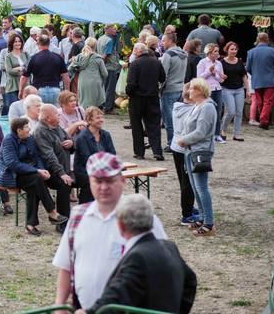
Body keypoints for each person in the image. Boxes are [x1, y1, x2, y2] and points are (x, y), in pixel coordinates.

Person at [53, 152, 167, 311]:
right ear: (90, 181)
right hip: (83, 309)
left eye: (110, 181)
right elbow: (65, 265)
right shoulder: (78, 215)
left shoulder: (143, 218)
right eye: (98, 181)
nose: (103, 187)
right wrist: (59, 304)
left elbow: (164, 267)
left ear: (122, 180)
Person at [79, 194, 197, 314]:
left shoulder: (137, 257)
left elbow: (116, 298)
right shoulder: (169, 247)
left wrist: (89, 312)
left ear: (120, 225)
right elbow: (191, 281)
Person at [0, 117, 67, 234]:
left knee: (35, 185)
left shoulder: (29, 138)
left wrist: (41, 169)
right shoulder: (9, 140)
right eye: (26, 127)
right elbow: (12, 163)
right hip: (12, 175)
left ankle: (30, 225)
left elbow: (36, 157)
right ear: (18, 130)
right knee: (36, 179)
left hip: (31, 173)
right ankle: (52, 211)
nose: (29, 130)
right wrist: (36, 171)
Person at [175, 78, 218, 236]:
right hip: (190, 150)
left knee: (201, 187)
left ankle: (209, 222)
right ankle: (202, 217)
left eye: (192, 88)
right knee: (195, 187)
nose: (189, 91)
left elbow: (201, 132)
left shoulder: (207, 107)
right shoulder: (196, 106)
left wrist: (183, 140)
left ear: (200, 90)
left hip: (200, 151)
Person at [33, 104, 74, 230]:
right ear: (48, 118)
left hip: (64, 169)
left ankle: (83, 217)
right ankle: (62, 223)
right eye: (56, 114)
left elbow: (69, 140)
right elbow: (49, 156)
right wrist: (61, 173)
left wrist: (72, 144)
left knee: (87, 179)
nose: (59, 115)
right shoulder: (40, 131)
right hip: (49, 172)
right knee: (65, 184)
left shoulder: (57, 127)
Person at [126, 43, 166, 160]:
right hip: (152, 97)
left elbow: (131, 83)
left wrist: (128, 93)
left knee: (136, 125)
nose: (133, 52)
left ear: (138, 51)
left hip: (137, 98)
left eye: (134, 50)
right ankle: (157, 151)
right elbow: (163, 78)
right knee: (154, 124)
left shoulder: (135, 64)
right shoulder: (156, 62)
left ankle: (139, 152)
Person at [170, 84, 200, 227]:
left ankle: (189, 206)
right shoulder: (192, 111)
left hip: (176, 147)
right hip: (184, 149)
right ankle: (186, 215)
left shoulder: (177, 107)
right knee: (188, 182)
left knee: (185, 181)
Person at [73, 107, 116, 203]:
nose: (101, 120)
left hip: (103, 169)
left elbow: (112, 154)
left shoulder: (106, 135)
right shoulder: (82, 137)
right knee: (94, 182)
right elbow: (87, 159)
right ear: (89, 120)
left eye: (102, 117)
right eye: (98, 118)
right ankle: (85, 209)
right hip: (85, 171)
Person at [246, 31, 274, 130]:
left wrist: (256, 74)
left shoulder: (251, 52)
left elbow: (248, 68)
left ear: (258, 39)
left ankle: (263, 120)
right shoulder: (273, 51)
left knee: (260, 102)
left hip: (257, 80)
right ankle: (264, 121)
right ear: (267, 39)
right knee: (268, 101)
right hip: (270, 80)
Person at [20, 34, 70, 106]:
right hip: (55, 89)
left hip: (39, 90)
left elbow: (24, 77)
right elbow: (66, 76)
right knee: (54, 114)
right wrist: (67, 91)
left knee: (40, 114)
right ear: (49, 43)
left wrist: (21, 91)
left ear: (38, 44)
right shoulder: (58, 57)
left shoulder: (33, 58)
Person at [159, 31, 188, 152]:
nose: (162, 43)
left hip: (169, 89)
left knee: (169, 119)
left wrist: (159, 88)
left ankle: (171, 144)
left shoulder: (168, 55)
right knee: (178, 118)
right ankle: (178, 141)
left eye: (164, 40)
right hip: (180, 88)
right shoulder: (184, 54)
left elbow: (162, 75)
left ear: (170, 41)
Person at [220, 41, 248, 142]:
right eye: (232, 49)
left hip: (239, 89)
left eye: (235, 49)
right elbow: (219, 76)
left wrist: (247, 90)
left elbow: (244, 76)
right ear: (227, 50)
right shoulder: (221, 62)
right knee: (230, 111)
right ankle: (223, 129)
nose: (234, 51)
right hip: (226, 89)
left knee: (239, 112)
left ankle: (237, 134)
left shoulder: (239, 61)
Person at [196, 43, 224, 142]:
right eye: (215, 51)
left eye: (217, 51)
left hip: (218, 89)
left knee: (218, 112)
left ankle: (217, 134)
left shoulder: (219, 63)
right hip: (207, 90)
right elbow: (199, 77)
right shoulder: (202, 62)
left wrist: (216, 74)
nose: (217, 53)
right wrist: (208, 71)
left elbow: (221, 80)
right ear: (209, 52)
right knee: (206, 113)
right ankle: (206, 134)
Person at [68, 37, 107, 109]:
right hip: (95, 83)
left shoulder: (79, 57)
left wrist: (77, 69)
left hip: (82, 82)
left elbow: (70, 68)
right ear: (95, 46)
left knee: (83, 104)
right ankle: (92, 118)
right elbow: (105, 73)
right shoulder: (98, 58)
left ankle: (84, 117)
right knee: (94, 105)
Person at [96, 24, 121, 113]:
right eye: (114, 29)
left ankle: (102, 105)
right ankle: (108, 108)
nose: (115, 31)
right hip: (110, 67)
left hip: (102, 67)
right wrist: (103, 62)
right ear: (108, 29)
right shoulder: (109, 40)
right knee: (110, 88)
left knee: (103, 87)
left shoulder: (100, 39)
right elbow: (107, 54)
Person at [3, 33, 29, 113]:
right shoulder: (8, 56)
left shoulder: (25, 54)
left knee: (24, 109)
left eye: (19, 41)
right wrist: (21, 69)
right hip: (12, 86)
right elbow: (9, 71)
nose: (18, 43)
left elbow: (28, 68)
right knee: (14, 109)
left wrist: (18, 69)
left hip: (25, 85)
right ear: (12, 43)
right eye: (15, 42)